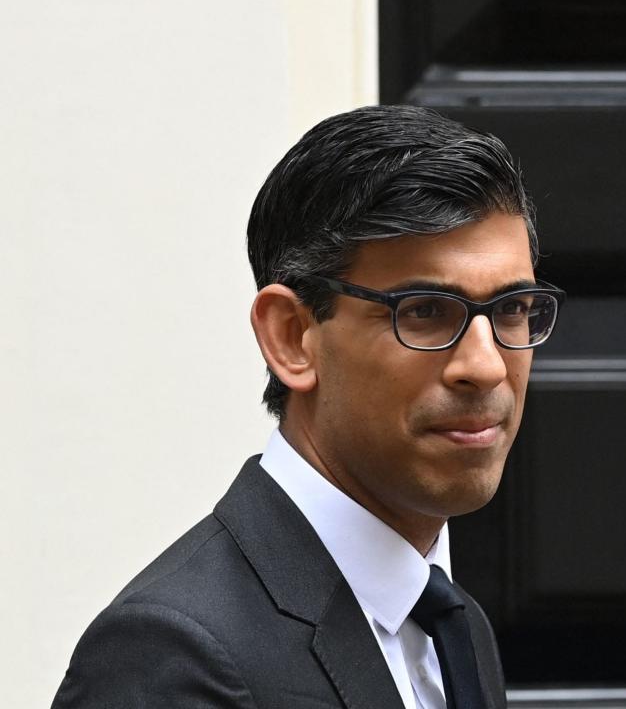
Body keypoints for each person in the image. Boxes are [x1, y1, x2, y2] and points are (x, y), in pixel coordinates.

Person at [52, 105, 563, 708]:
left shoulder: (453, 624)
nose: (485, 365)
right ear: (292, 338)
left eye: (511, 309)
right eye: (424, 311)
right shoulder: (171, 653)